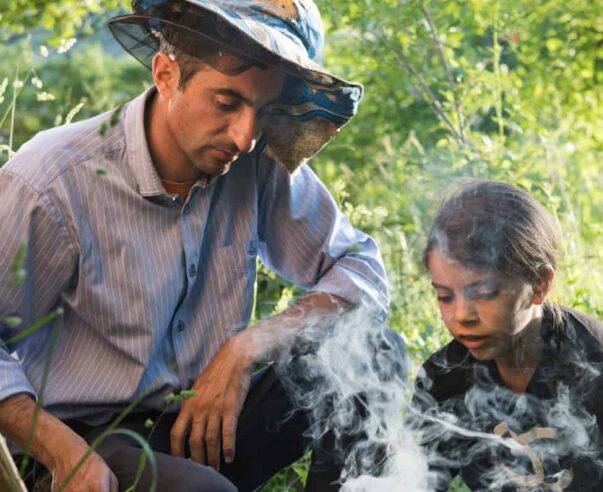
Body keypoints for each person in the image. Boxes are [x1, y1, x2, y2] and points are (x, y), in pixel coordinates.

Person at [0, 1, 390, 490]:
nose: (246, 136)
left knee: (372, 353)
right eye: (226, 103)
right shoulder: (53, 180)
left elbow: (361, 270)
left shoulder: (255, 162)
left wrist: (246, 347)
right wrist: (65, 454)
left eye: (263, 111)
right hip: (85, 442)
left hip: (209, 421)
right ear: (166, 75)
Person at [411, 180, 603, 491]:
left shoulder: (594, 367)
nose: (461, 315)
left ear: (539, 283)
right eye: (445, 296)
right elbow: (411, 481)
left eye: (484, 293)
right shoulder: (445, 379)